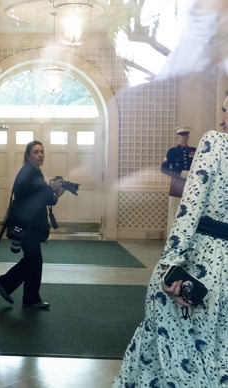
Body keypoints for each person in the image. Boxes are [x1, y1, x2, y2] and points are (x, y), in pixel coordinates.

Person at [113, 97, 228, 387]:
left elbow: (190, 209)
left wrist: (169, 268)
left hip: (204, 266)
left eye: (226, 108)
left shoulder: (216, 143)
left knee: (168, 352)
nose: (222, 115)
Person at [0, 141, 64, 309]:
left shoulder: (33, 173)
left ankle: (20, 293)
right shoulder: (29, 173)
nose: (40, 155)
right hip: (27, 226)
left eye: (42, 152)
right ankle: (15, 290)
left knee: (32, 260)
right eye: (36, 152)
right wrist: (51, 188)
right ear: (28, 155)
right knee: (34, 261)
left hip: (29, 225)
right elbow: (40, 196)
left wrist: (57, 192)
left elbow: (43, 198)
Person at [161, 126, 196, 236]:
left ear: (188, 137)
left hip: (191, 187)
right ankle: (171, 237)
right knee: (174, 213)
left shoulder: (194, 151)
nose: (184, 138)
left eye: (186, 135)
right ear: (178, 137)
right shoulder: (172, 152)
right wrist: (178, 173)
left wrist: (191, 174)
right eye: (181, 135)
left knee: (190, 212)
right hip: (176, 186)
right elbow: (164, 168)